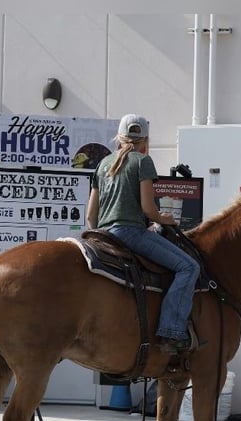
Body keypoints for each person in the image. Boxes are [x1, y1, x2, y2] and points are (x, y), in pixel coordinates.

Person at [87, 114, 201, 355]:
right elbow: (149, 209)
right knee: (189, 268)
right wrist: (166, 219)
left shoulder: (103, 164)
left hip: (102, 235)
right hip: (129, 233)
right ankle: (171, 332)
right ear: (145, 141)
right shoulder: (142, 162)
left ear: (119, 138)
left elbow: (90, 216)